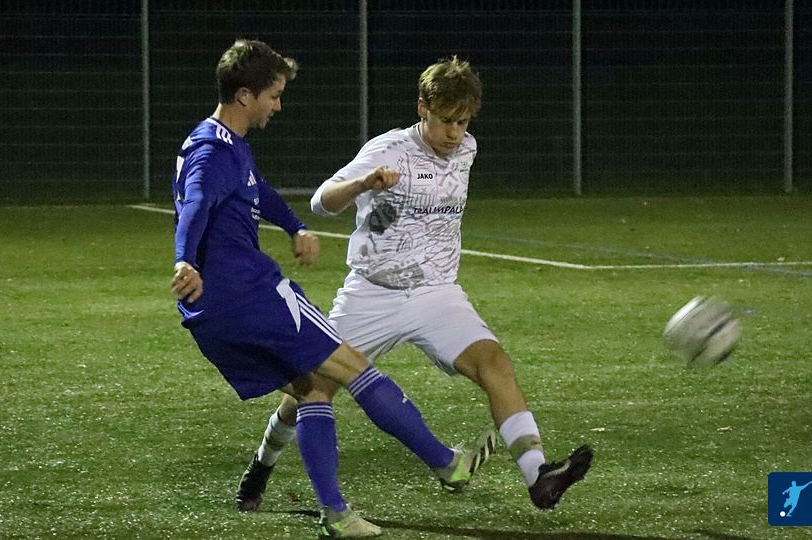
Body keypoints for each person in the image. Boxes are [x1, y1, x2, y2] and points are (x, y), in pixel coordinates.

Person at [236, 56, 593, 514]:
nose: (454, 133)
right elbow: (322, 202)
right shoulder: (388, 150)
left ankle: (538, 475)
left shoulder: (467, 149)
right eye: (445, 121)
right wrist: (363, 184)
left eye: (463, 122)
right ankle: (261, 466)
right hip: (372, 292)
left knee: (495, 364)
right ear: (422, 108)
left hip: (436, 293)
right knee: (312, 388)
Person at [172, 40, 495, 539]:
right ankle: (445, 463)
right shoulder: (215, 152)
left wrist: (294, 227)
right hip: (251, 294)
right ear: (245, 95)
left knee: (311, 388)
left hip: (209, 312)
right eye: (273, 95)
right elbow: (196, 202)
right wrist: (185, 259)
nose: (278, 105)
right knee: (356, 370)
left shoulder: (217, 141)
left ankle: (335, 513)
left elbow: (258, 191)